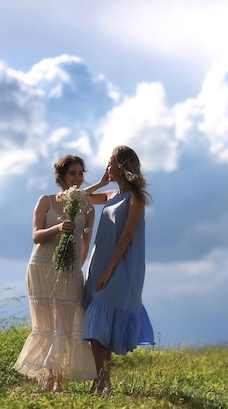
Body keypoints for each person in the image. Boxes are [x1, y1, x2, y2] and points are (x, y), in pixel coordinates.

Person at [14, 154, 97, 392]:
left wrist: (75, 267)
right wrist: (58, 227)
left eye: (81, 173)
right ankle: (51, 378)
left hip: (70, 271)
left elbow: (85, 243)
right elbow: (36, 235)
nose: (78, 178)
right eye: (73, 173)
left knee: (66, 322)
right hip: (41, 265)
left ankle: (57, 378)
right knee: (46, 324)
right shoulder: (46, 201)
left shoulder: (88, 207)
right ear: (61, 176)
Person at [83, 145, 155, 393]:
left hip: (121, 269)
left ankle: (100, 381)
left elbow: (126, 236)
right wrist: (100, 183)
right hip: (100, 264)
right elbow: (82, 198)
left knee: (98, 322)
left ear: (122, 167)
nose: (107, 168)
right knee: (100, 326)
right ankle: (104, 381)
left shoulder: (135, 198)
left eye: (110, 164)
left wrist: (109, 270)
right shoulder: (112, 194)